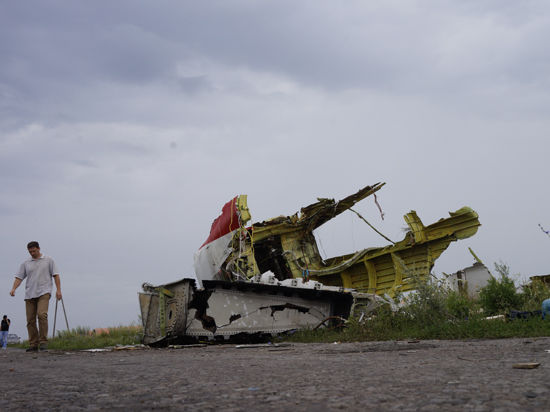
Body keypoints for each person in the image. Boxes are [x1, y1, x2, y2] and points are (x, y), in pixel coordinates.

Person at [10, 241, 62, 352]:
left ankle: (43, 342)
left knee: (42, 315)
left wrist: (58, 290)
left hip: (44, 292)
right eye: (30, 251)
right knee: (30, 320)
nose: (32, 253)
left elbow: (56, 275)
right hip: (29, 294)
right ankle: (33, 344)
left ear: (38, 249)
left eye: (34, 251)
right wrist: (14, 288)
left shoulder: (48, 260)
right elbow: (19, 277)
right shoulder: (26, 263)